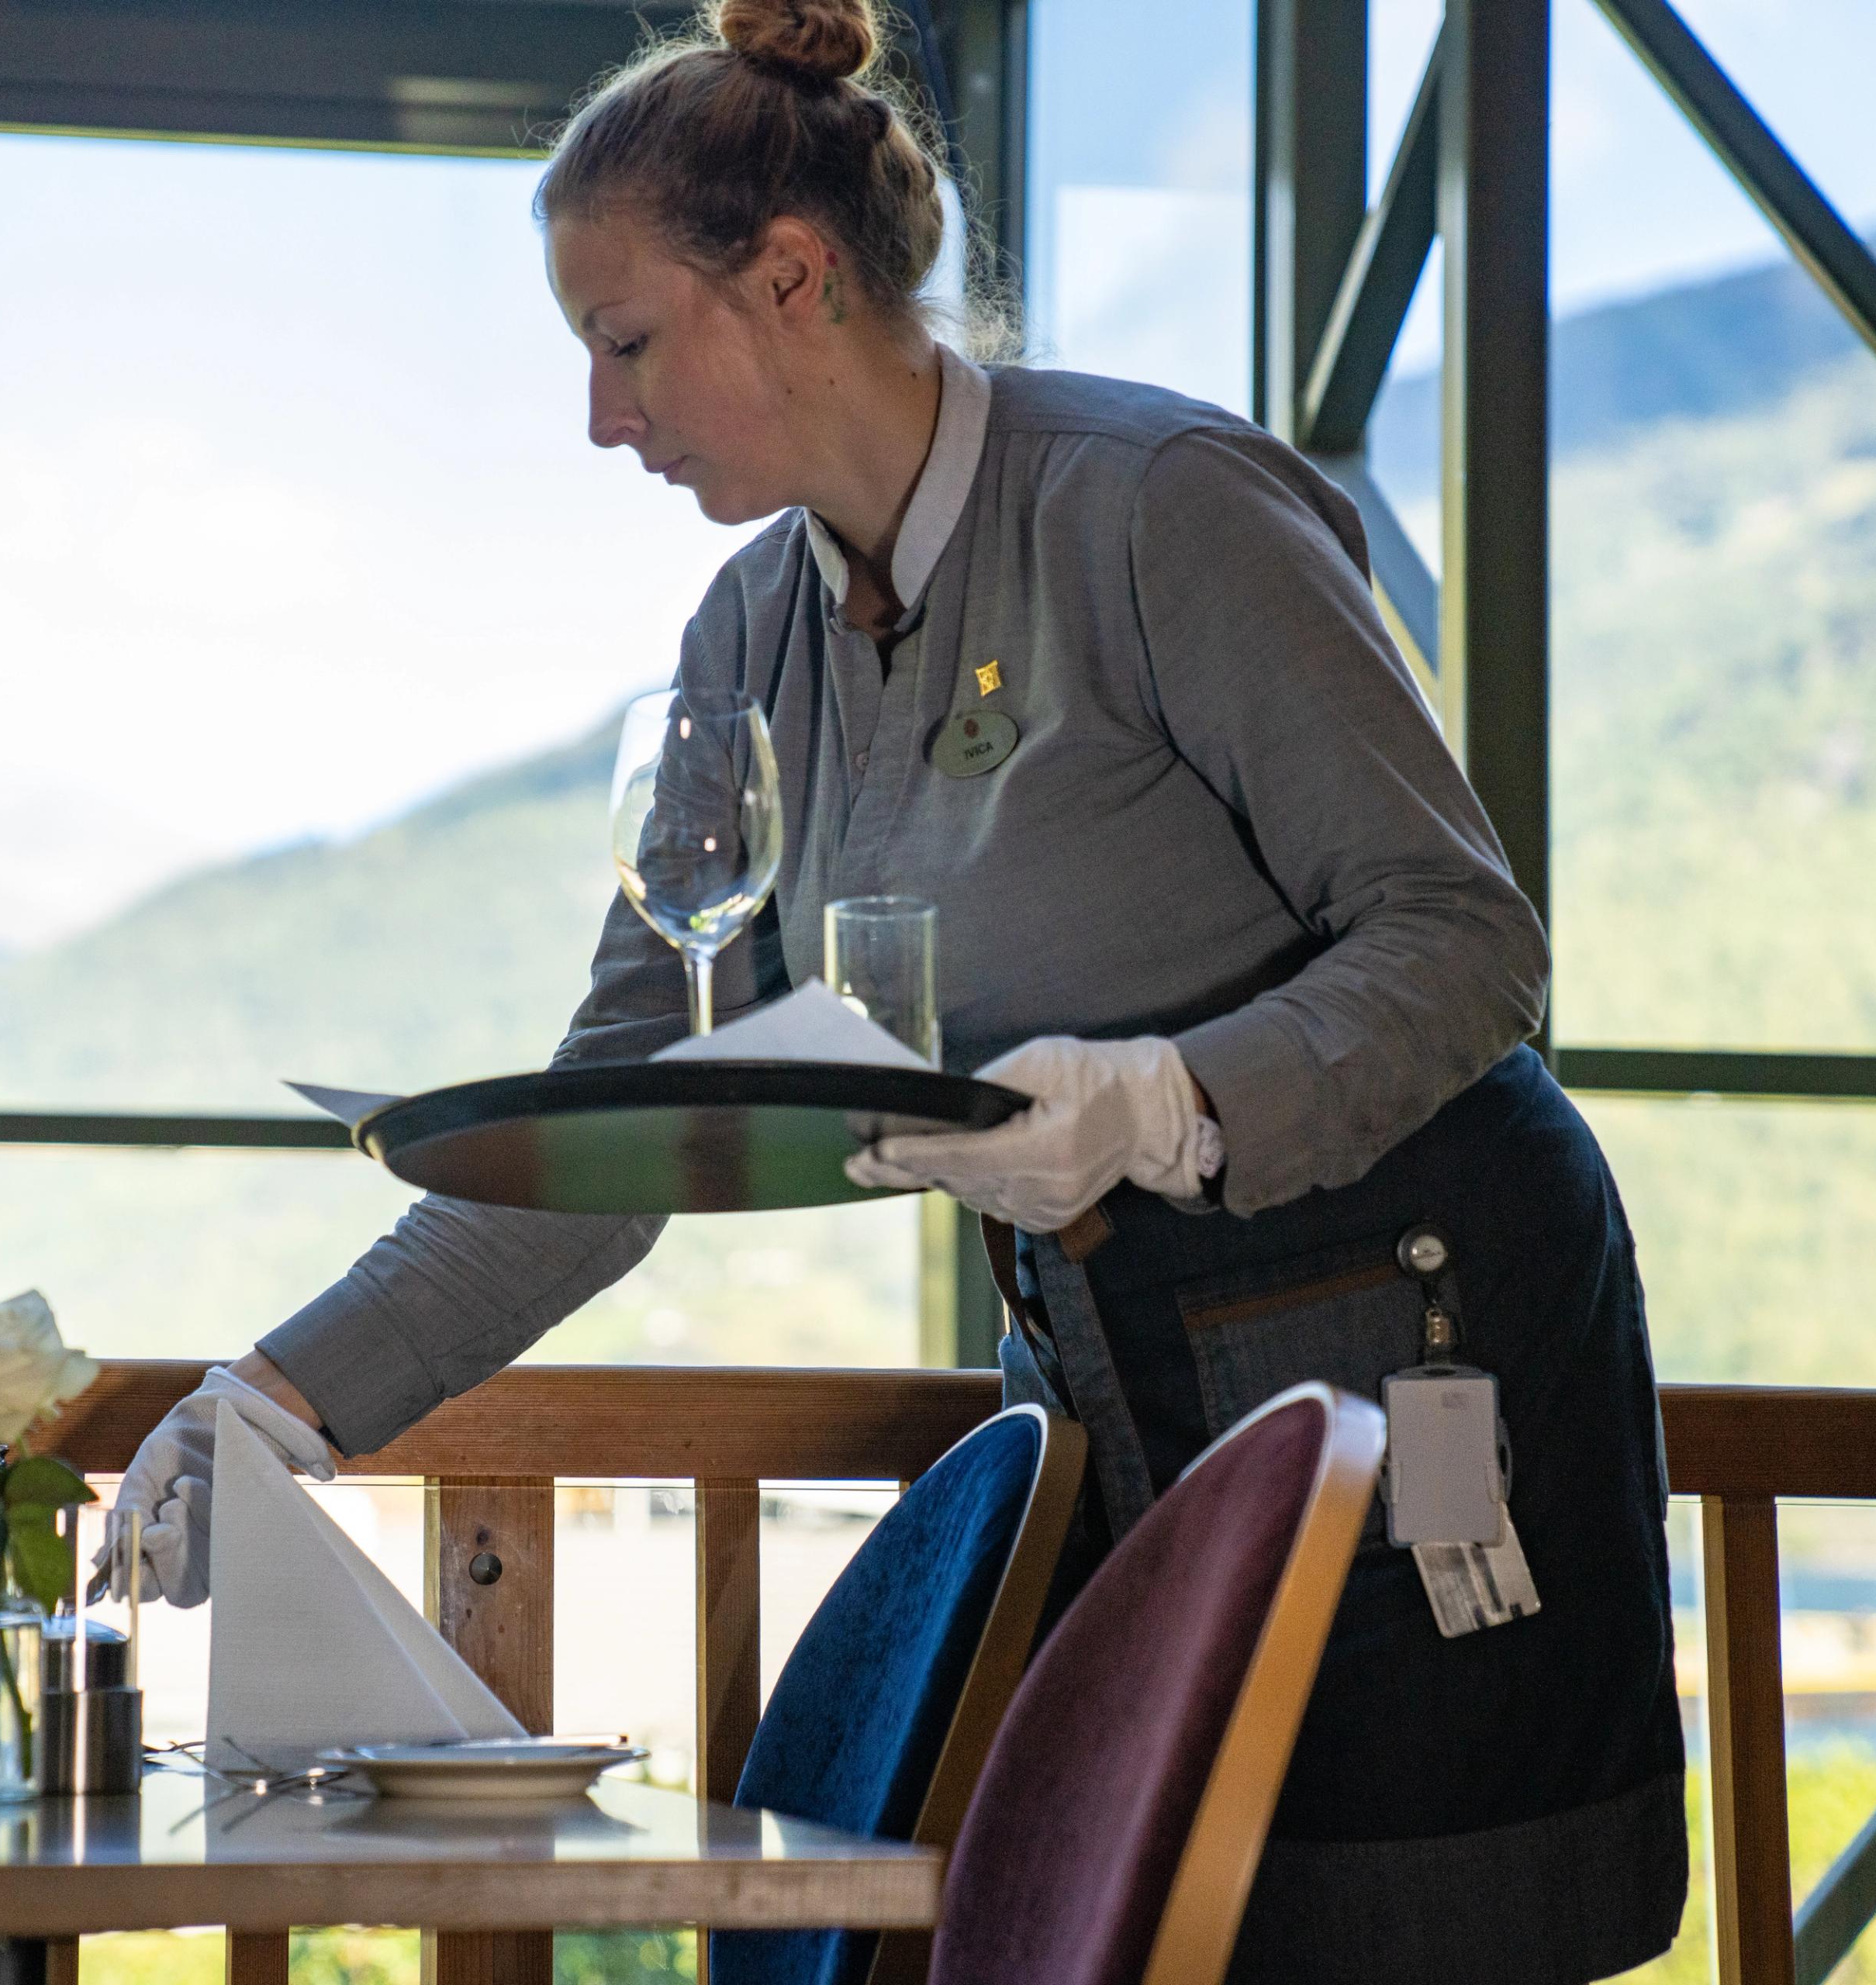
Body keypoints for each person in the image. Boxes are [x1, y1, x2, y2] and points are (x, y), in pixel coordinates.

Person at [106, 1, 1685, 1976]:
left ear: (791, 280)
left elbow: (1465, 940)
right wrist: (277, 1401)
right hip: (1110, 1374)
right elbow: (625, 1117)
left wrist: (1174, 1100)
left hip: (1421, 1338)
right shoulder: (749, 630)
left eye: (625, 342)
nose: (601, 418)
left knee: (1406, 1930)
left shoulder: (1164, 503)